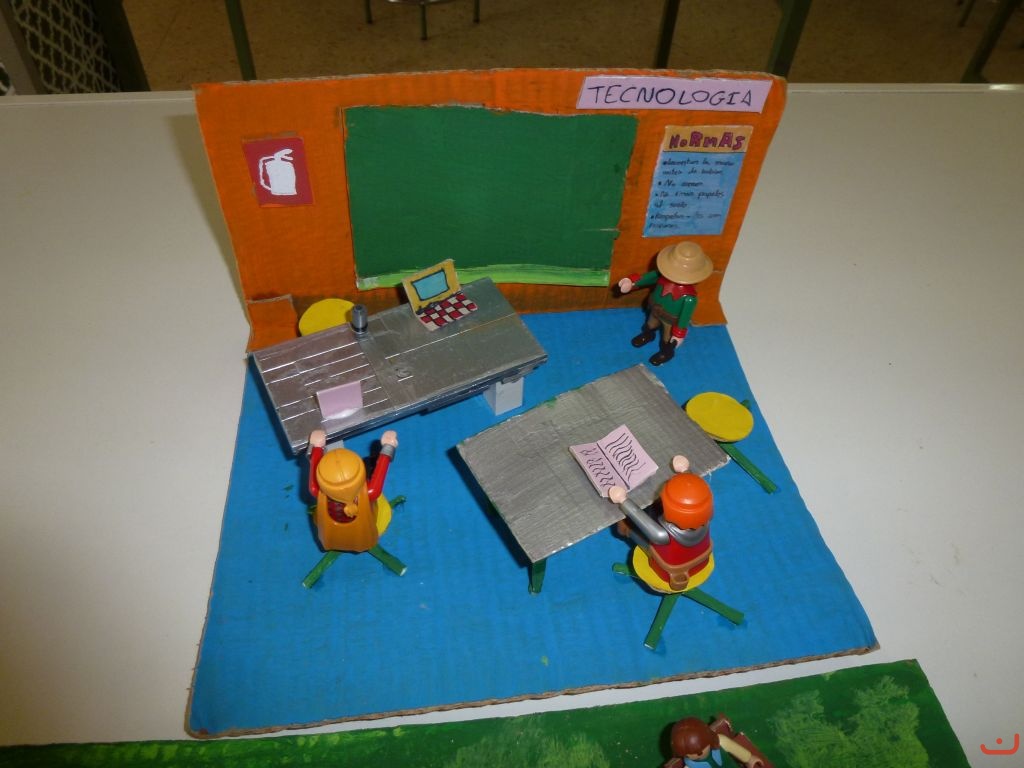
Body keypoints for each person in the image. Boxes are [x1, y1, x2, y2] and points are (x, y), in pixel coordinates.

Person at [609, 455, 713, 592]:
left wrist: (623, 500)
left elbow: (637, 515)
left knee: (630, 529)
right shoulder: (704, 518)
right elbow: (694, 491)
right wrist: (685, 471)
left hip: (668, 569)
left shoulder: (661, 534)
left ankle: (626, 531)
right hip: (701, 557)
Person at [617, 241, 713, 365]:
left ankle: (666, 352)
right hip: (655, 309)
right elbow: (646, 278)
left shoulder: (689, 298)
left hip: (670, 319)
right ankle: (648, 335)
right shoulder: (661, 277)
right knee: (650, 325)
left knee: (667, 339)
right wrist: (631, 282)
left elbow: (684, 317)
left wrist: (679, 334)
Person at [306, 428, 397, 553]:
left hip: (332, 536)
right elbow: (382, 466)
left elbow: (313, 466)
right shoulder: (370, 492)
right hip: (361, 536)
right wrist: (388, 446)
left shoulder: (317, 491)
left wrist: (316, 446)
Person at [665, 717, 764, 768]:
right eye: (688, 754)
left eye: (700, 750)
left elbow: (735, 749)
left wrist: (749, 758)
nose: (696, 755)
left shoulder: (721, 741)